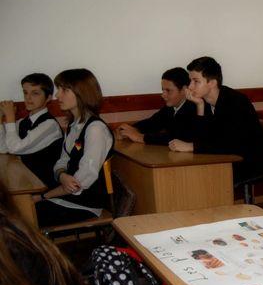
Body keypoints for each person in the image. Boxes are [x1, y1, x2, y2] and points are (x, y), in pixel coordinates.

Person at [168, 56, 263, 185]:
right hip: (223, 158)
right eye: (190, 81)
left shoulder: (236, 102)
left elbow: (231, 144)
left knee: (198, 178)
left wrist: (191, 146)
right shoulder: (201, 101)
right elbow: (198, 137)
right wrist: (200, 106)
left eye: (196, 81)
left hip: (250, 161)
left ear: (212, 83)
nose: (190, 86)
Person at [33, 69, 114, 227]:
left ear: (81, 93)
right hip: (67, 196)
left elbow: (79, 183)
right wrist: (61, 175)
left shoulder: (95, 129)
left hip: (85, 204)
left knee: (25, 215)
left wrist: (44, 196)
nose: (57, 95)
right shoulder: (73, 124)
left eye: (64, 90)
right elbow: (62, 161)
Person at [0, 73, 63, 187]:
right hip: (27, 179)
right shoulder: (24, 122)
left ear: (48, 98)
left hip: (46, 185)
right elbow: (3, 148)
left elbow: (15, 148)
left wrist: (10, 117)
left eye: (35, 93)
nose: (28, 98)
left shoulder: (50, 125)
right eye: (25, 92)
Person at [117, 67, 197, 145]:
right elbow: (152, 122)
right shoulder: (169, 108)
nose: (163, 95)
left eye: (168, 90)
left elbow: (178, 137)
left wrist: (141, 137)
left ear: (184, 89)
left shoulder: (194, 108)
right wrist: (130, 129)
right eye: (163, 90)